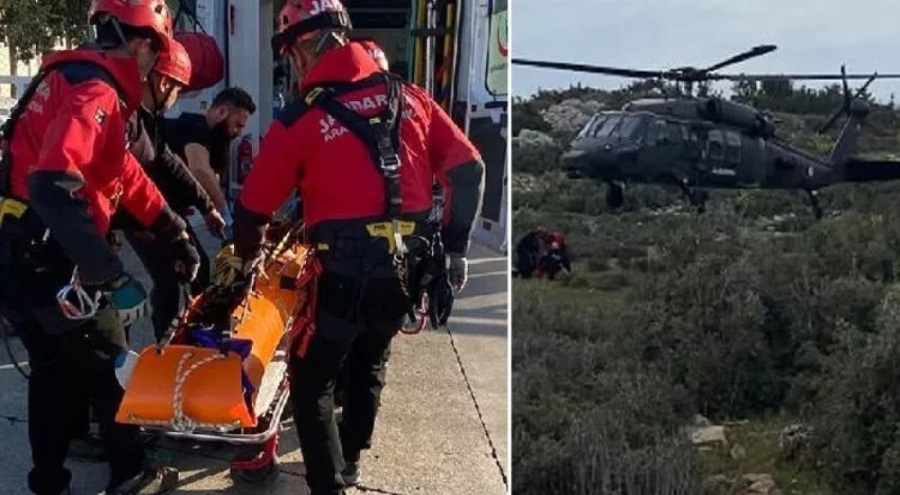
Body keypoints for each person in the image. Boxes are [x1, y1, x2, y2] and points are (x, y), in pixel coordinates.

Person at [222, 1, 485, 493]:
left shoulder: (302, 118)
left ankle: (329, 485)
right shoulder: (411, 97)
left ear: (303, 47)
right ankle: (351, 461)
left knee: (311, 380)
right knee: (370, 360)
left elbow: (253, 208)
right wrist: (455, 251)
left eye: (291, 55)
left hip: (341, 276)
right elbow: (469, 171)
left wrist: (246, 261)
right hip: (406, 271)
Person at [0, 1, 199, 493]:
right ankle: (131, 473)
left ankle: (49, 481)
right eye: (157, 55)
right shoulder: (96, 90)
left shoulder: (68, 79)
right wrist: (109, 272)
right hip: (54, 259)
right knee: (112, 365)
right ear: (142, 45)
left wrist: (173, 230)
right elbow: (52, 185)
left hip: (20, 253)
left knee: (53, 370)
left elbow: (122, 171)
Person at [162, 86, 256, 292]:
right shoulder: (194, 127)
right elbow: (200, 169)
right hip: (149, 209)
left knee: (194, 269)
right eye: (237, 125)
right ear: (222, 112)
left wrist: (208, 211)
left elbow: (209, 178)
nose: (238, 132)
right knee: (186, 271)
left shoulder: (213, 140)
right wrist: (225, 215)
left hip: (170, 210)